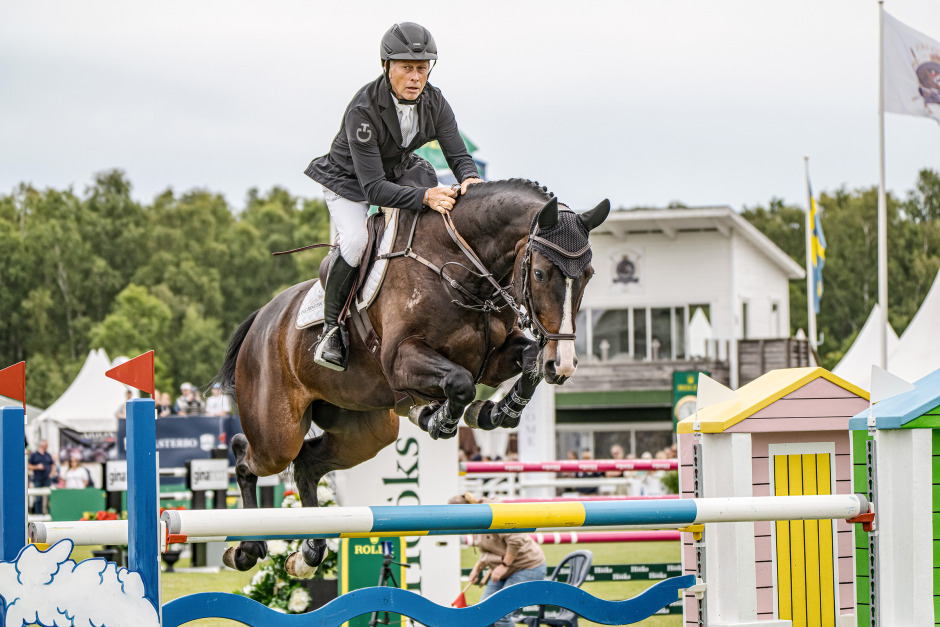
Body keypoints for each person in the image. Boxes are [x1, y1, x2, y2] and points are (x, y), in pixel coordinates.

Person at [304, 22, 483, 372]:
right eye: (406, 68)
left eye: (422, 68)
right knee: (356, 241)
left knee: (435, 207)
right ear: (387, 67)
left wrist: (471, 180)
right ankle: (331, 330)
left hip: (397, 170)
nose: (415, 77)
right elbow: (372, 190)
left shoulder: (436, 101)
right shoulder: (363, 111)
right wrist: (425, 197)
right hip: (349, 181)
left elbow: (458, 156)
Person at [450, 493, 546, 627]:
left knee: (501, 615)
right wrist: (477, 569)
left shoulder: (495, 513)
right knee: (483, 613)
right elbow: (489, 548)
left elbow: (516, 539)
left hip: (527, 567)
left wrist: (504, 565)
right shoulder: (477, 517)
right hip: (504, 568)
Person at [27, 440, 57, 514]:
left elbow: (53, 466)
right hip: (37, 479)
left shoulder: (48, 455)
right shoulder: (34, 455)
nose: (47, 446)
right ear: (42, 445)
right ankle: (38, 515)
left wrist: (51, 474)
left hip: (47, 479)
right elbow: (28, 466)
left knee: (48, 498)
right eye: (46, 445)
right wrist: (37, 467)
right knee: (38, 498)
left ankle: (48, 514)